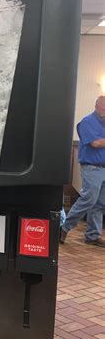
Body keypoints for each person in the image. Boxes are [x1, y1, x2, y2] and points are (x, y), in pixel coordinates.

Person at [60, 96, 105, 247]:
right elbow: (96, 143)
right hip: (92, 167)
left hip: (104, 168)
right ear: (96, 106)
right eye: (104, 108)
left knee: (100, 203)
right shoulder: (87, 122)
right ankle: (64, 228)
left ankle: (93, 235)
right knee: (89, 199)